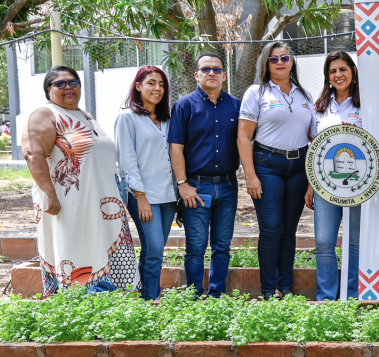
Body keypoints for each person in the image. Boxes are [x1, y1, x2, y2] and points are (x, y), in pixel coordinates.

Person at [22, 65, 140, 296]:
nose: (68, 87)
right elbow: (32, 154)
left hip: (100, 204)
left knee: (107, 249)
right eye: (60, 83)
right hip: (70, 204)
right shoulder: (46, 114)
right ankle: (78, 306)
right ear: (48, 90)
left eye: (73, 82)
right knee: (78, 250)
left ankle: (113, 307)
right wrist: (50, 195)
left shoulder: (83, 115)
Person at [238, 42, 315, 300]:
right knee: (272, 228)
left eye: (285, 57)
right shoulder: (256, 92)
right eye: (273, 59)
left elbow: (312, 138)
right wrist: (250, 175)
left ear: (292, 61)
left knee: (289, 229)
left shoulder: (305, 95)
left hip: (299, 167)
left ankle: (285, 287)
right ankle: (269, 291)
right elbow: (243, 137)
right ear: (265, 63)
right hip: (267, 164)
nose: (280, 62)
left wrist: (312, 181)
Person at [168, 52, 241, 298]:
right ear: (196, 74)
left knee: (222, 247)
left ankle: (216, 296)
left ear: (224, 75)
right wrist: (183, 185)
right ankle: (195, 297)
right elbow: (175, 147)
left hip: (229, 187)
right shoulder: (184, 106)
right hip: (196, 188)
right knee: (196, 247)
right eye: (206, 69)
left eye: (217, 69)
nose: (212, 73)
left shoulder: (236, 105)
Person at [115, 66, 177, 303]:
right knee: (155, 249)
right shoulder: (127, 118)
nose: (157, 88)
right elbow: (127, 161)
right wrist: (140, 196)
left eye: (161, 84)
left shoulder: (168, 119)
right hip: (143, 195)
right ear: (138, 86)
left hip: (168, 195)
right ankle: (151, 300)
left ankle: (145, 297)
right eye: (151, 83)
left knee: (155, 251)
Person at [305, 51, 362, 300]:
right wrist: (310, 185)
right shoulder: (319, 109)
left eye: (343, 69)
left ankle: (351, 297)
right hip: (325, 185)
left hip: (359, 185)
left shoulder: (366, 105)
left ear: (353, 72)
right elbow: (313, 150)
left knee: (354, 243)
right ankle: (326, 299)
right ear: (327, 77)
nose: (338, 75)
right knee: (324, 242)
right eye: (332, 71)